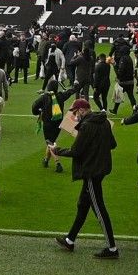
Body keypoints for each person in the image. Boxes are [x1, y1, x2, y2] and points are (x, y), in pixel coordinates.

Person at [53, 98, 119, 258]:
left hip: (92, 170)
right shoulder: (103, 122)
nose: (75, 116)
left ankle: (112, 249)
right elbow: (112, 144)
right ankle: (70, 240)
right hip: (101, 167)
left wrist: (57, 150)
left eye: (76, 112)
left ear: (82, 110)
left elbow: (76, 151)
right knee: (83, 204)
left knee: (99, 208)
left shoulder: (86, 126)